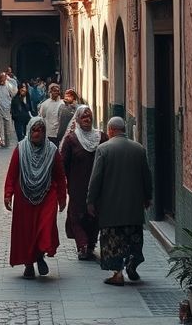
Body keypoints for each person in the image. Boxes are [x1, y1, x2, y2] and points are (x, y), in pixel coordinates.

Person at [86, 116, 152, 285]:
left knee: (113, 241)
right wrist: (147, 197)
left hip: (111, 208)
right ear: (124, 129)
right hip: (133, 207)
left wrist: (91, 200)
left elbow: (96, 178)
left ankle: (118, 273)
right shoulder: (139, 149)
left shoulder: (103, 149)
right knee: (134, 239)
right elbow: (147, 176)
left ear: (110, 130)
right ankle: (132, 264)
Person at [4, 117, 67, 279]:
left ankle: (40, 255)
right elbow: (12, 173)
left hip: (47, 195)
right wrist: (8, 194)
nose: (36, 133)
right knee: (26, 231)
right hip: (24, 196)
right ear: (29, 131)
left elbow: (60, 176)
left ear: (45, 132)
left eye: (40, 130)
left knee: (44, 227)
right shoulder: (20, 149)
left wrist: (61, 198)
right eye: (34, 130)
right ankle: (29, 264)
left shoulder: (52, 150)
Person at [60, 105, 108, 260]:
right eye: (83, 117)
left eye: (89, 116)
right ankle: (83, 245)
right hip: (77, 187)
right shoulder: (71, 140)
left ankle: (91, 244)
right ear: (78, 120)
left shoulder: (102, 137)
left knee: (94, 216)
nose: (87, 119)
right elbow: (63, 164)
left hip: (98, 187)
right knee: (76, 217)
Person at [0, 71, 17, 147]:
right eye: (0, 78)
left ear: (5, 78)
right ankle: (1, 141)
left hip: (7, 108)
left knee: (7, 126)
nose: (1, 80)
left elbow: (14, 94)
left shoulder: (9, 85)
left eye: (3, 78)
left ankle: (7, 142)